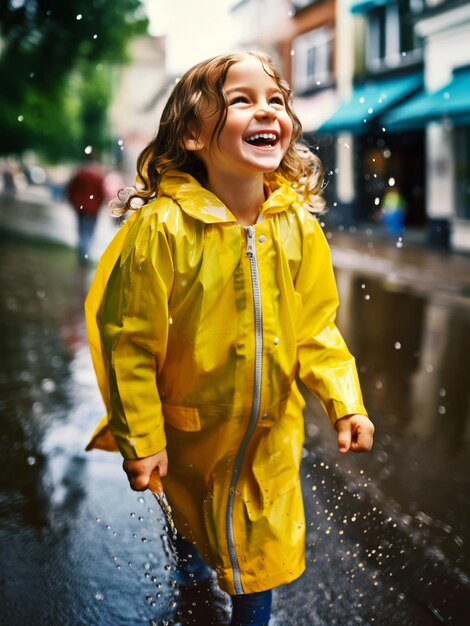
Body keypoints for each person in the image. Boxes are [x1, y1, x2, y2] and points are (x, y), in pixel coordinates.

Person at [85, 51, 374, 626]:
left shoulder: (297, 226)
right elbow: (132, 345)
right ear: (192, 133)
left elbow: (316, 325)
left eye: (275, 100)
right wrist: (143, 437)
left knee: (261, 556)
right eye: (241, 100)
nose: (266, 111)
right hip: (189, 429)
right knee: (194, 520)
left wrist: (345, 401)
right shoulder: (164, 229)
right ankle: (190, 570)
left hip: (271, 434)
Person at [67, 154, 105, 262]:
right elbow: (101, 193)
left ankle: (83, 252)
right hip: (93, 209)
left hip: (81, 207)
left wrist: (72, 201)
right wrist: (99, 204)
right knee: (89, 231)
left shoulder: (80, 173)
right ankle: (85, 253)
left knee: (81, 230)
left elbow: (72, 189)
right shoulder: (98, 175)